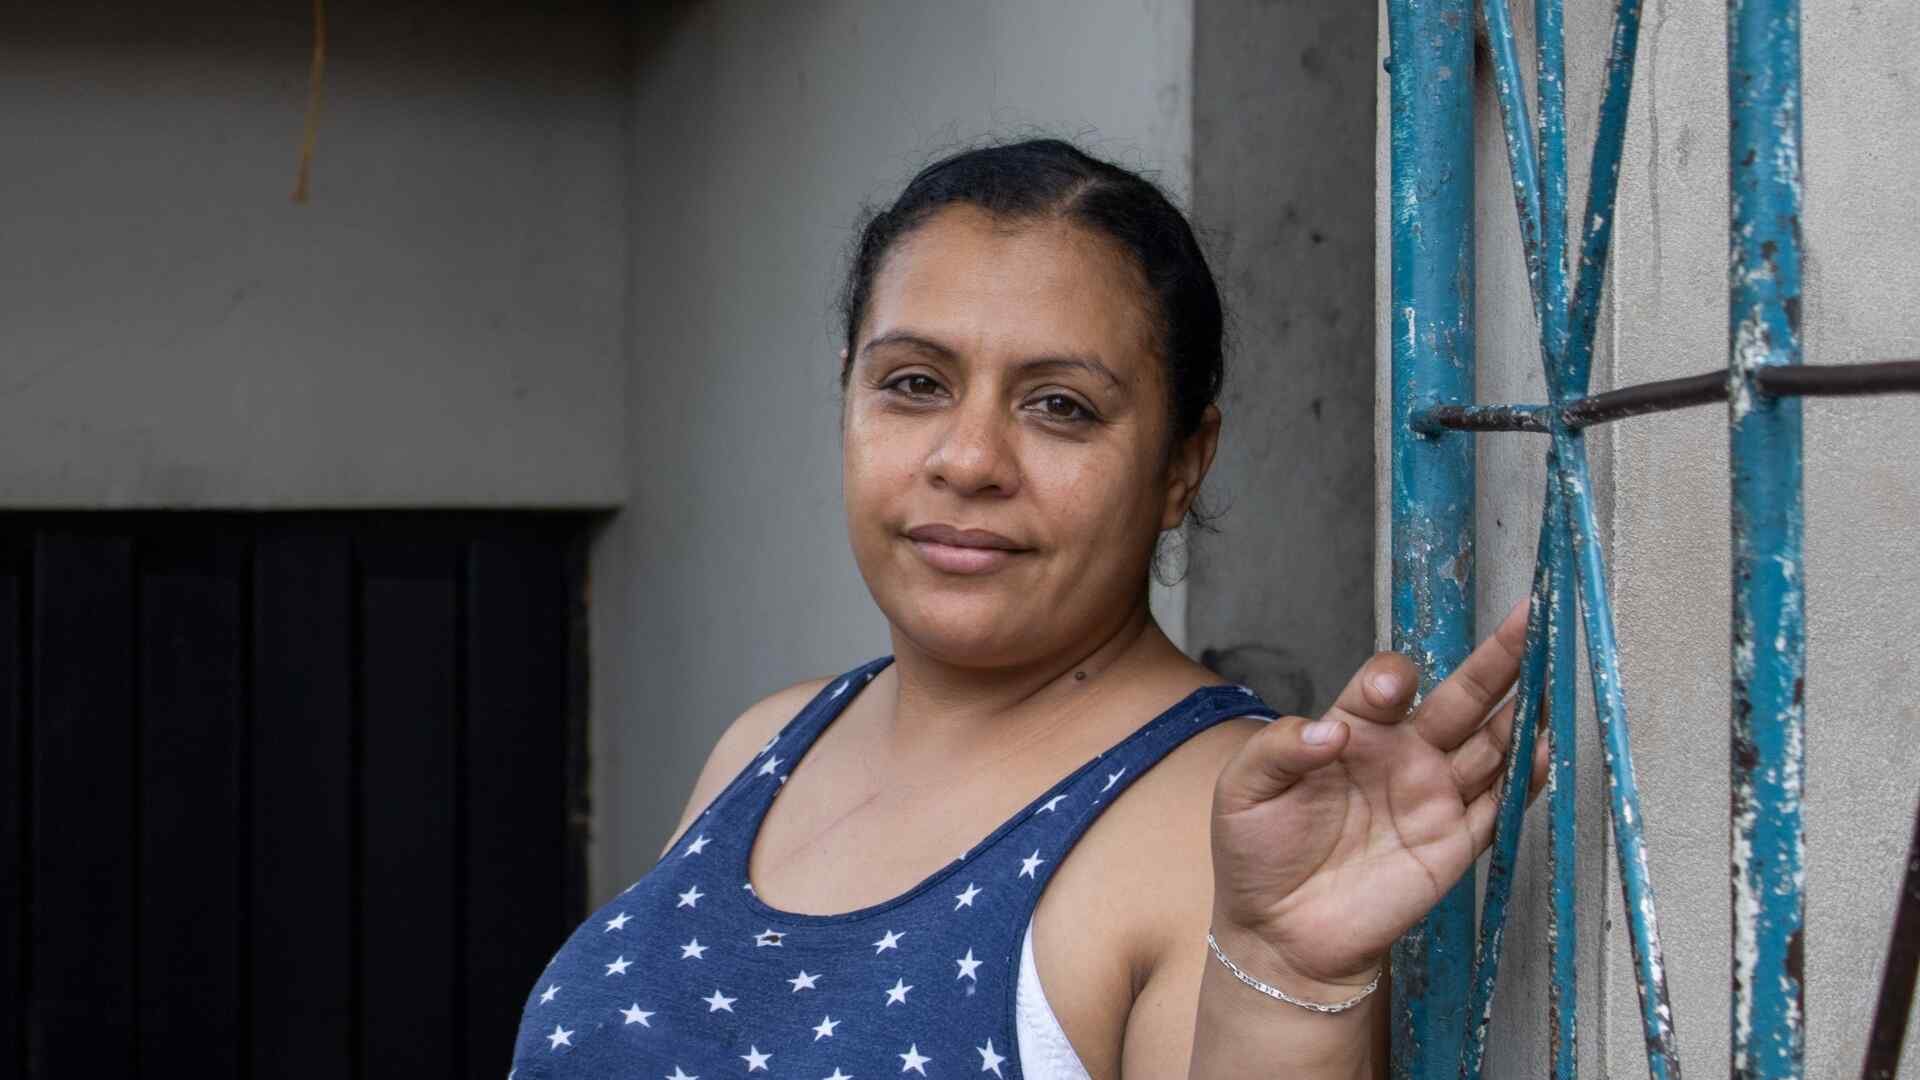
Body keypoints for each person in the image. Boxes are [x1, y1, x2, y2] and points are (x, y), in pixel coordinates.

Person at [507, 138, 1543, 1079]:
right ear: (846, 397)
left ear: (1184, 463)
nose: (967, 460)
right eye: (913, 384)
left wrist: (1290, 983)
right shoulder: (764, 744)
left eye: (1061, 407)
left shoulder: (1230, 828)